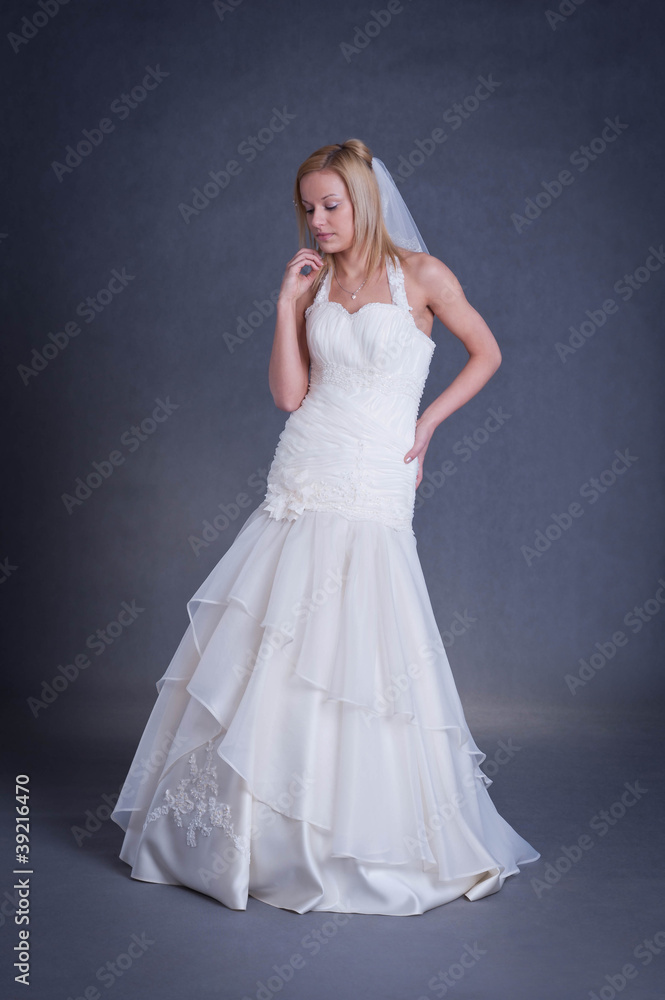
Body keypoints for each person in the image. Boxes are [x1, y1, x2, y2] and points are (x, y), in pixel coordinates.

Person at [110, 138, 540, 916]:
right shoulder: (312, 284)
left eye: (331, 206)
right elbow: (288, 395)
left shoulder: (423, 276)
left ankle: (353, 826)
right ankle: (254, 833)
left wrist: (430, 424)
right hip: (306, 464)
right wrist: (284, 305)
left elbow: (486, 352)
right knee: (276, 632)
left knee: (367, 637)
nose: (317, 221)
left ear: (365, 202)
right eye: (307, 208)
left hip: (376, 471)